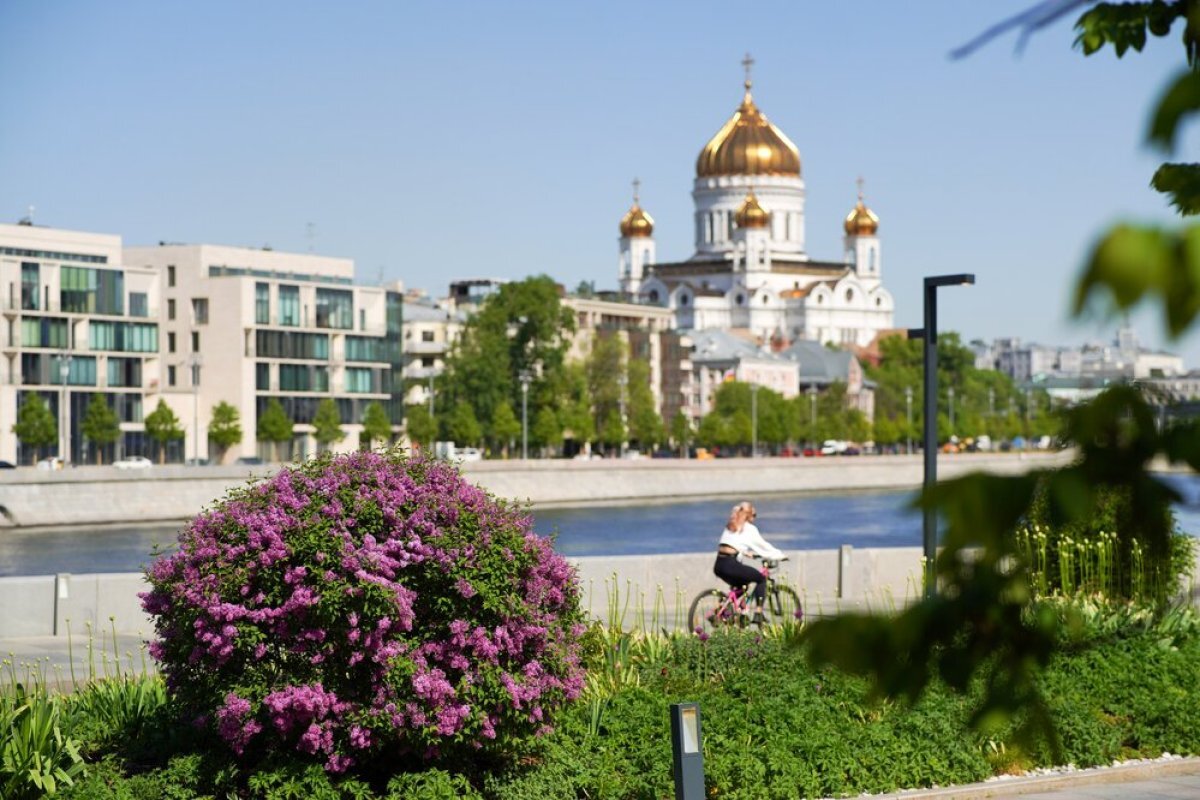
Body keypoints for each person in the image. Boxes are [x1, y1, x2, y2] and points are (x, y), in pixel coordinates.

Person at [712, 500, 785, 623]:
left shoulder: (730, 526)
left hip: (719, 564)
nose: (755, 518)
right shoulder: (749, 528)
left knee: (743, 585)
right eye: (754, 515)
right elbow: (764, 546)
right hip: (731, 564)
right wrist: (780, 555)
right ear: (749, 514)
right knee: (761, 579)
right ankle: (758, 612)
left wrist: (745, 553)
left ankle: (723, 609)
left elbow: (731, 545)